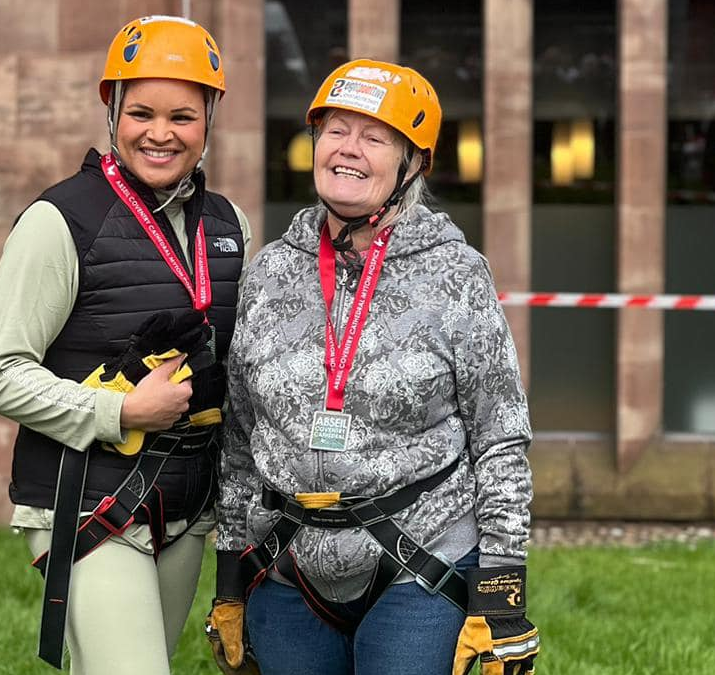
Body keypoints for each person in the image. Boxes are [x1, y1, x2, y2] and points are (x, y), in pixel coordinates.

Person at [208, 59, 539, 675]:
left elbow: (501, 437)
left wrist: (503, 599)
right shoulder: (270, 273)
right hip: (287, 562)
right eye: (335, 130)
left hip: (422, 559)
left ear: (412, 162)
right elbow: (237, 439)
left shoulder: (456, 276)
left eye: (375, 137)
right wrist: (230, 579)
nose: (348, 150)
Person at [0, 15, 250, 675]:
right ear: (112, 110)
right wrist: (120, 412)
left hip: (185, 507)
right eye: (142, 112)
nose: (161, 132)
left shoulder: (227, 223)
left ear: (209, 119)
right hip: (88, 504)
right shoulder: (59, 222)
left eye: (183, 115)